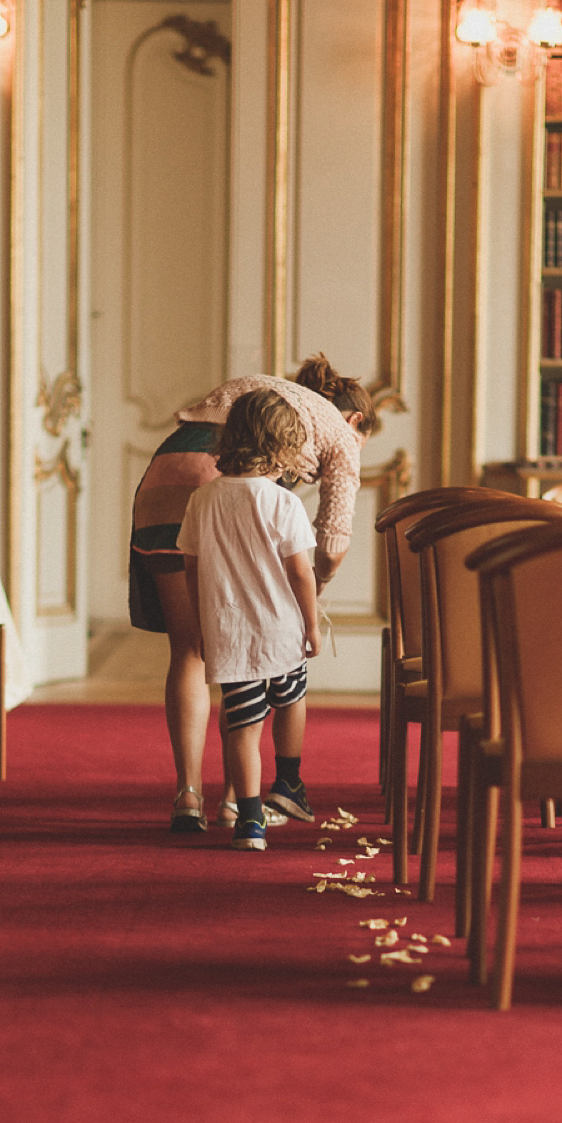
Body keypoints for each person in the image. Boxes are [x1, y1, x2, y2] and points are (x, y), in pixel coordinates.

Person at [130, 354, 379, 832]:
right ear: (357, 420)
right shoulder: (339, 435)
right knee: (244, 662)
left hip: (162, 477)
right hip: (213, 476)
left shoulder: (269, 396)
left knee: (188, 651)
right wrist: (313, 593)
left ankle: (187, 795)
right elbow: (332, 543)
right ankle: (232, 801)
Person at [177, 388, 322, 851]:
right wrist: (313, 624)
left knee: (242, 722)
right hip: (281, 629)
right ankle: (290, 781)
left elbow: (192, 567)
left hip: (229, 629)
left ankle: (250, 821)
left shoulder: (203, 500)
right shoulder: (284, 504)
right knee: (290, 698)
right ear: (281, 450)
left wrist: (200, 623)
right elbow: (300, 572)